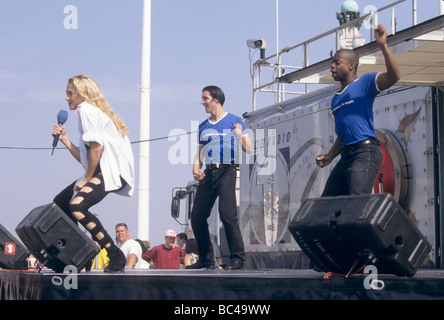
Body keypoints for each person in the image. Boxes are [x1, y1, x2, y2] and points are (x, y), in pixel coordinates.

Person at [52, 74, 135, 273]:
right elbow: (85, 158)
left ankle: (114, 254)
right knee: (61, 203)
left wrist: (87, 179)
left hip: (111, 170)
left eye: (70, 93)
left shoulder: (85, 110)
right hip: (101, 169)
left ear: (83, 94)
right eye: (67, 93)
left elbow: (97, 149)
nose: (67, 98)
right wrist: (64, 140)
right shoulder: (88, 111)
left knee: (77, 205)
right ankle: (82, 254)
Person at [315, 25, 400, 196]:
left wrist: (383, 45)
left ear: (351, 66)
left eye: (337, 62)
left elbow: (394, 76)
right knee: (326, 203)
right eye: (332, 62)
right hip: (346, 155)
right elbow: (345, 133)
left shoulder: (365, 83)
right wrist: (331, 156)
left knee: (356, 201)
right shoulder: (336, 98)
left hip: (365, 152)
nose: (332, 66)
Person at [186, 86, 253, 270]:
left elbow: (250, 149)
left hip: (227, 170)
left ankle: (237, 258)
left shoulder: (234, 120)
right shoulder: (203, 126)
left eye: (205, 98)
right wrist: (195, 167)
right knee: (197, 217)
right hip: (209, 172)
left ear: (216, 99)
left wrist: (239, 135)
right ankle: (206, 260)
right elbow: (199, 153)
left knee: (227, 215)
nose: (202, 102)